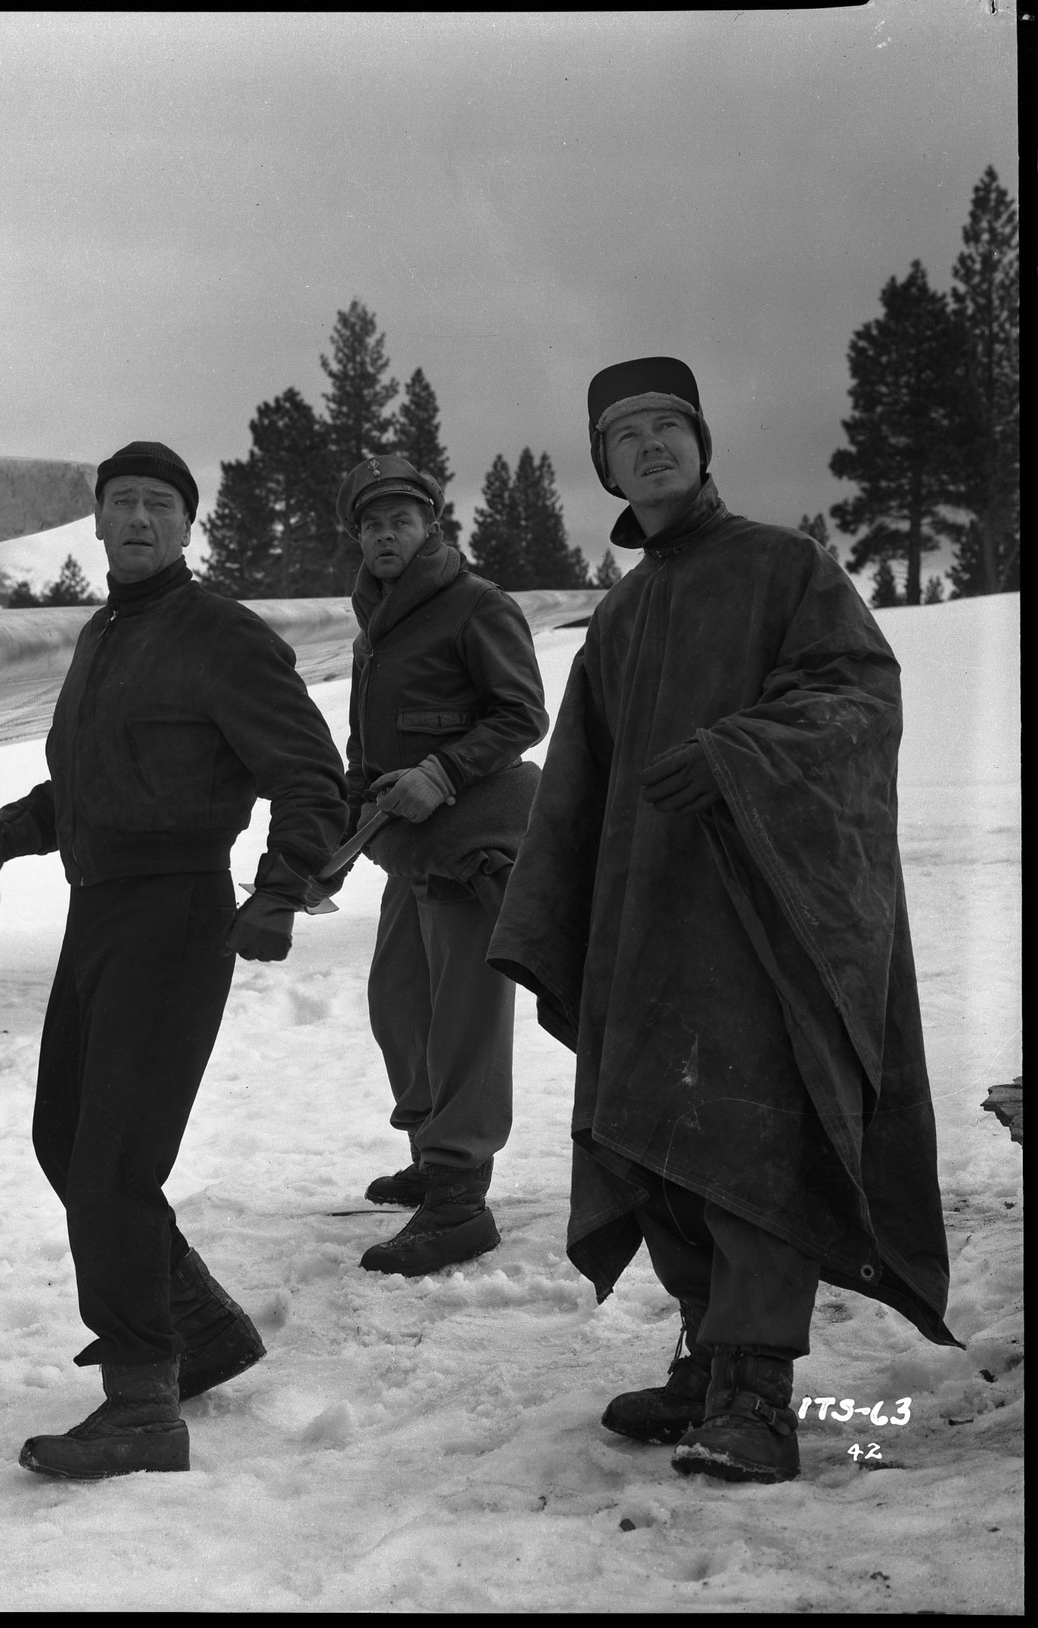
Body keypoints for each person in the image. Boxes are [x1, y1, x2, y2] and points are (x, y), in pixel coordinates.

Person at [489, 357, 957, 1485]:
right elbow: (579, 782)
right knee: (656, 1140)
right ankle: (706, 1356)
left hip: (758, 916)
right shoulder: (626, 610)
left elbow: (857, 695)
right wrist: (553, 915)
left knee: (748, 1137)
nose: (649, 446)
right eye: (624, 434)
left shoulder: (781, 567)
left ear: (700, 444)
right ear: (602, 463)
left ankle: (760, 1394)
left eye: (667, 427)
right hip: (648, 918)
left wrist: (739, 753)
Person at [0, 440, 349, 1479]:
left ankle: (140, 1403)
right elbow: (85, 787)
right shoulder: (103, 634)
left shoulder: (218, 634)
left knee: (113, 1162)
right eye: (120, 500)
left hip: (176, 912)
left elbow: (310, 774)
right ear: (95, 521)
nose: (136, 517)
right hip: (99, 909)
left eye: (157, 503)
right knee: (63, 1140)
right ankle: (198, 1327)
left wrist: (277, 888)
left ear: (185, 523)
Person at [337, 453, 547, 1275]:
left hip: (474, 844)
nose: (386, 534)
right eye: (372, 524)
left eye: (402, 519)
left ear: (430, 526)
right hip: (406, 846)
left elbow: (523, 712)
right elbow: (367, 741)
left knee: (464, 1017)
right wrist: (342, 833)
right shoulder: (373, 622)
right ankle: (434, 1153)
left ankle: (460, 1195)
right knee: (399, 1001)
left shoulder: (476, 606)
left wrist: (443, 772)